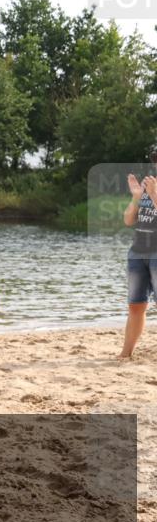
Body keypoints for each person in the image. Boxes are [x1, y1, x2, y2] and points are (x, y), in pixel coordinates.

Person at [119, 145, 157, 360]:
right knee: (135, 305)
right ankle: (126, 353)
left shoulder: (152, 189)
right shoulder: (148, 185)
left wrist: (154, 196)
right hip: (137, 253)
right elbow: (128, 220)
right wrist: (136, 198)